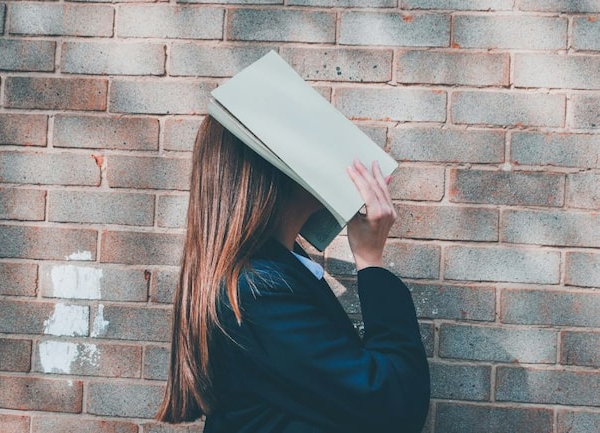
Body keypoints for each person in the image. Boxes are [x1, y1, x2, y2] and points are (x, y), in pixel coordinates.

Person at [156, 115, 430, 433]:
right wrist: (371, 261)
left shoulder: (274, 275)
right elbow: (394, 405)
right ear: (272, 171)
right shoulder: (259, 291)